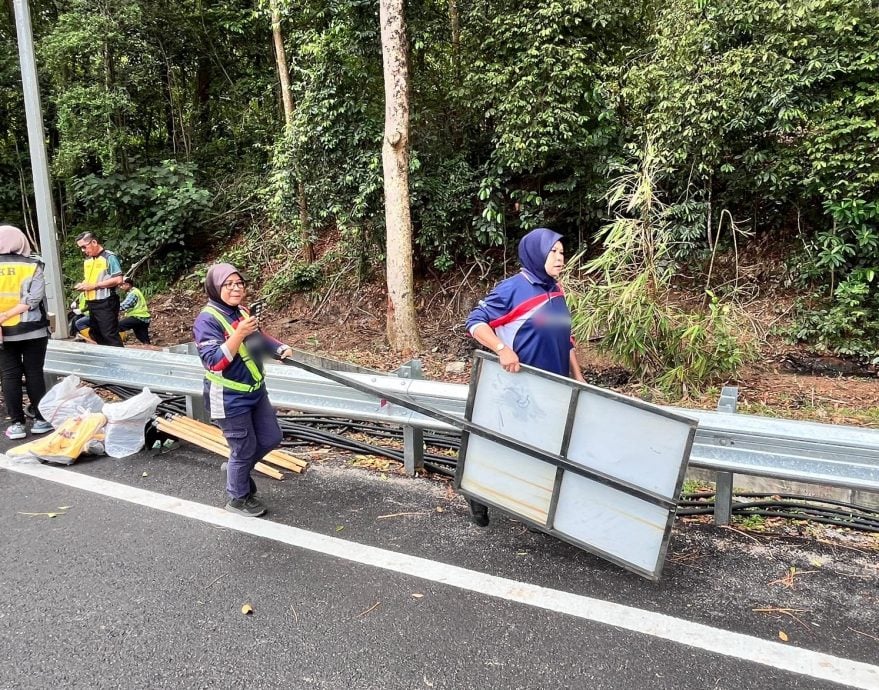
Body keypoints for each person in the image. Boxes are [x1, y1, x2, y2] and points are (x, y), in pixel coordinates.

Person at [464, 227, 585, 526]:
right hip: (521, 388)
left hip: (555, 387)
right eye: (553, 252)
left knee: (544, 450)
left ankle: (533, 512)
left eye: (561, 252)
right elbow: (475, 322)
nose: (560, 258)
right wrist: (502, 348)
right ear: (535, 253)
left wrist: (579, 378)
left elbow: (564, 339)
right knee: (510, 449)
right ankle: (477, 492)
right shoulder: (513, 289)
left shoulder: (555, 290)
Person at [193, 263, 293, 517]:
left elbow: (258, 338)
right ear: (215, 288)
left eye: (239, 284)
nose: (236, 289)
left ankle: (237, 468)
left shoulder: (240, 310)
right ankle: (238, 498)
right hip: (228, 396)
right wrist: (238, 334)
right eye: (228, 285)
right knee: (244, 448)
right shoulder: (206, 320)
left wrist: (278, 348)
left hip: (255, 391)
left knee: (271, 437)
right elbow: (214, 361)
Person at [0, 224, 54, 439]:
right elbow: (34, 299)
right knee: (34, 373)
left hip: (3, 333)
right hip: (32, 330)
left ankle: (17, 425)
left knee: (9, 376)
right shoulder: (33, 265)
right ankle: (40, 420)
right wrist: (10, 313)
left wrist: (2, 318)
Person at [73, 231, 124, 346]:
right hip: (92, 303)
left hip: (106, 301)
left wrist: (95, 286)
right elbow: (90, 280)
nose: (83, 250)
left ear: (94, 242)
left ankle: (119, 360)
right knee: (96, 333)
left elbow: (118, 279)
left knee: (109, 334)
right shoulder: (88, 261)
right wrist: (83, 285)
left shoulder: (109, 257)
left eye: (84, 247)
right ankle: (106, 359)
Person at [118, 276, 151, 344]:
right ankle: (150, 348)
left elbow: (125, 305)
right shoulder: (135, 291)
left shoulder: (133, 293)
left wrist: (111, 308)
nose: (120, 287)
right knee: (143, 338)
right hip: (144, 318)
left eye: (122, 285)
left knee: (117, 327)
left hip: (137, 317)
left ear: (127, 285)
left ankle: (114, 344)